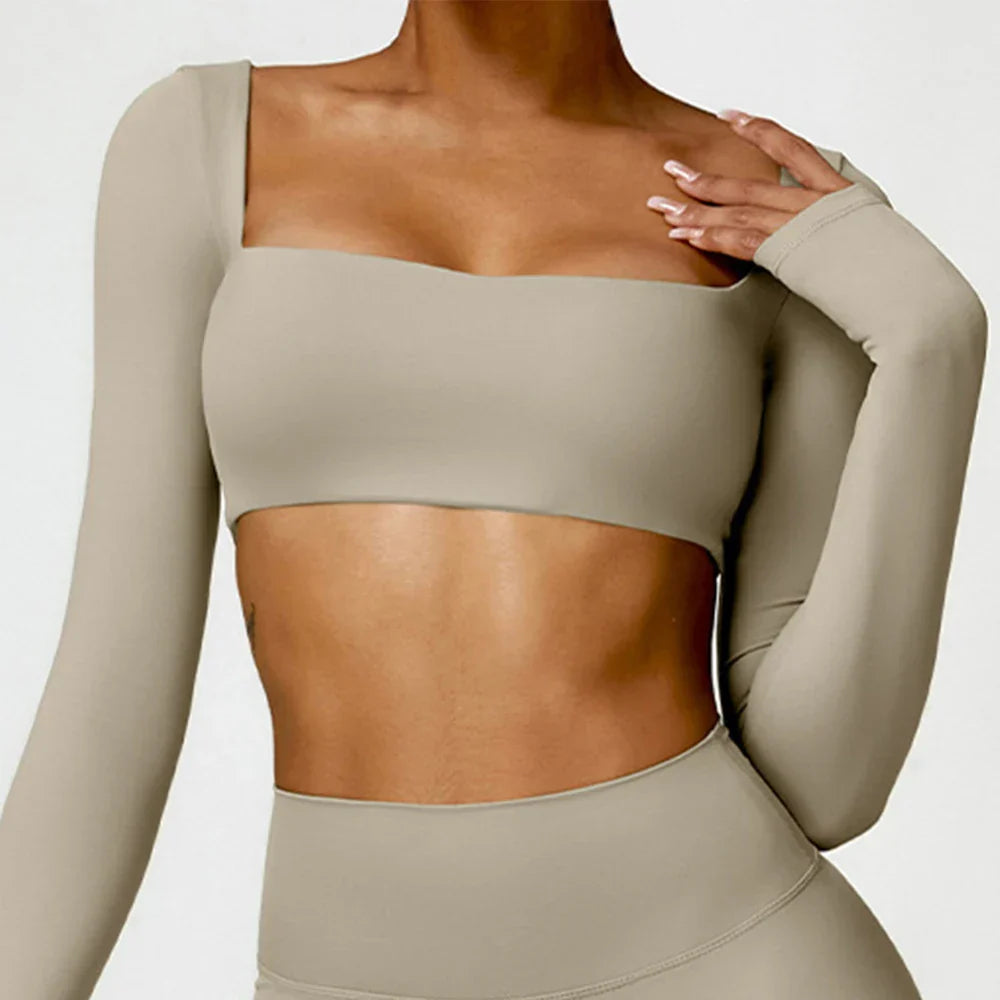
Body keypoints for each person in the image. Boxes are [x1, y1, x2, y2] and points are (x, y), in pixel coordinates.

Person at [0, 2, 988, 998]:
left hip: (729, 956)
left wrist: (933, 345)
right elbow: (108, 688)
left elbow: (825, 784)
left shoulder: (776, 208)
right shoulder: (205, 145)